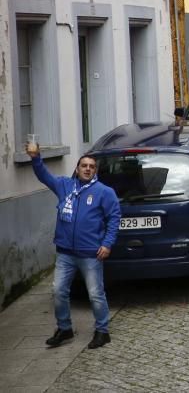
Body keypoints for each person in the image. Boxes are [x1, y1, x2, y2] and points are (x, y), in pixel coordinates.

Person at [27, 142, 120, 349]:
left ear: (95, 170)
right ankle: (64, 328)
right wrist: (35, 158)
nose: (87, 169)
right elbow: (43, 175)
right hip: (65, 253)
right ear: (77, 169)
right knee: (59, 291)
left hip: (91, 254)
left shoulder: (104, 192)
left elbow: (114, 219)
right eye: (83, 165)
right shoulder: (64, 186)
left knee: (95, 294)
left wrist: (107, 244)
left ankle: (102, 331)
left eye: (91, 166)